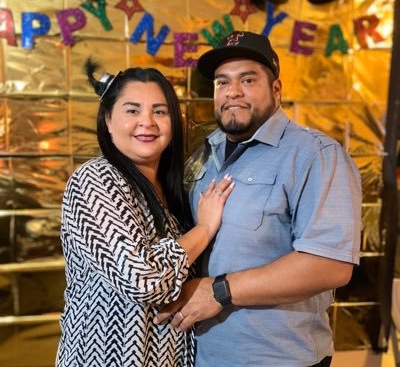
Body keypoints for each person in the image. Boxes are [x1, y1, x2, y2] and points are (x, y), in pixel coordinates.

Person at [154, 31, 362, 367]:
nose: (232, 91)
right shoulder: (204, 153)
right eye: (222, 82)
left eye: (247, 80)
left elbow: (330, 265)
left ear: (276, 89)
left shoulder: (316, 154)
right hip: (202, 356)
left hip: (278, 359)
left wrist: (219, 290)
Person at [56, 59, 235, 367]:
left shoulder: (171, 188)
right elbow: (144, 281)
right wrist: (204, 229)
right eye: (132, 110)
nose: (147, 122)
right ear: (108, 120)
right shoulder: (96, 179)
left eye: (160, 111)